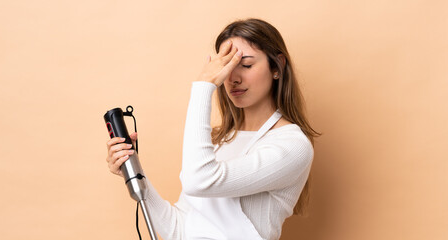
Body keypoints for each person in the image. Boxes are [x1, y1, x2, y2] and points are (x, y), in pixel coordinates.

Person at [105, 18, 320, 240]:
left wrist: (203, 87)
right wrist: (133, 172)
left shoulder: (292, 146)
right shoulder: (219, 141)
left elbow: (200, 181)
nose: (233, 78)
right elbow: (178, 230)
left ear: (277, 67)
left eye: (246, 65)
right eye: (226, 68)